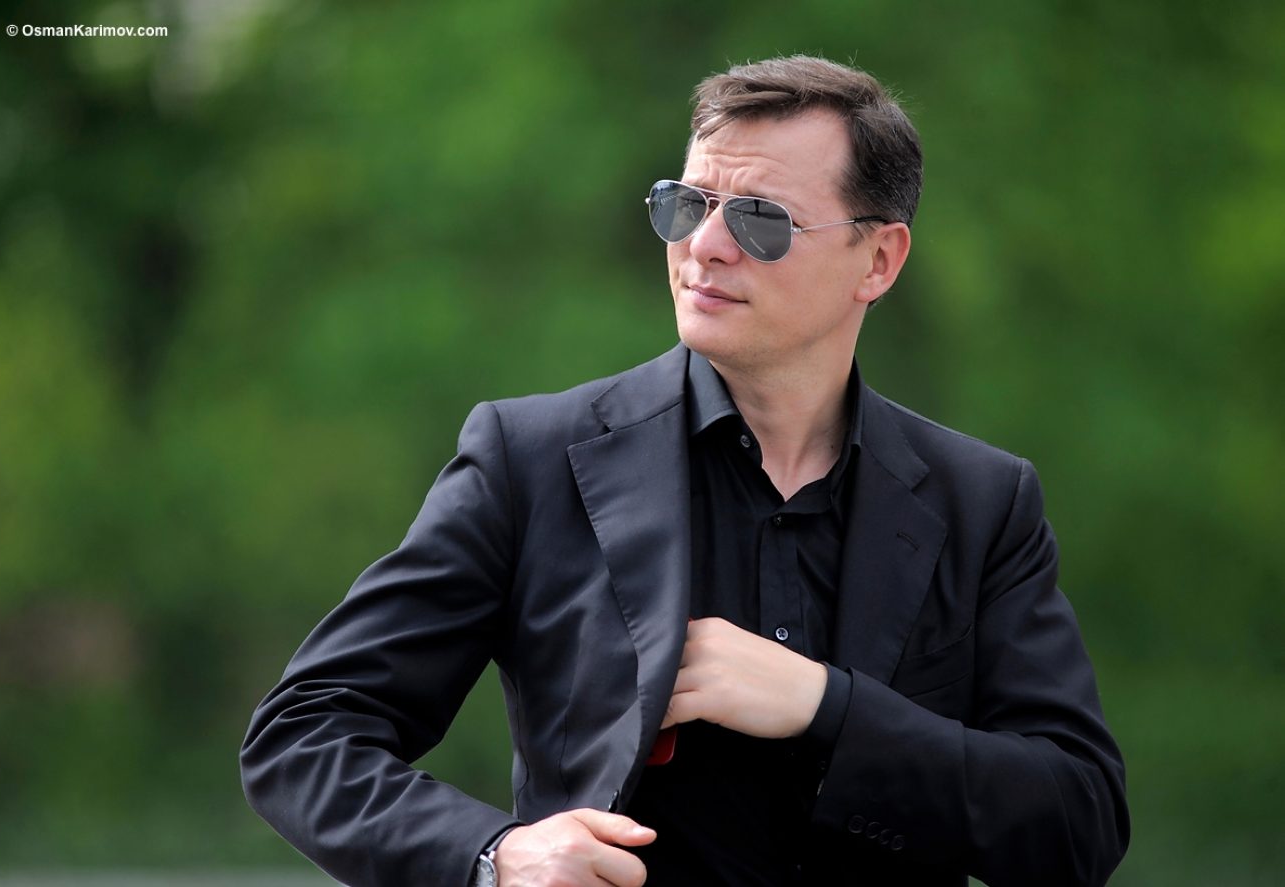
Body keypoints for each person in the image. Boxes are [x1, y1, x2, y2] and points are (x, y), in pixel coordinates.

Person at [240, 55, 1129, 886]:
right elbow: (301, 734)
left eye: (759, 219)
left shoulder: (984, 500)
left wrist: (825, 707)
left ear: (879, 260)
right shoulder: (529, 458)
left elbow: (1079, 818)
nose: (704, 244)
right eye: (688, 203)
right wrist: (497, 855)